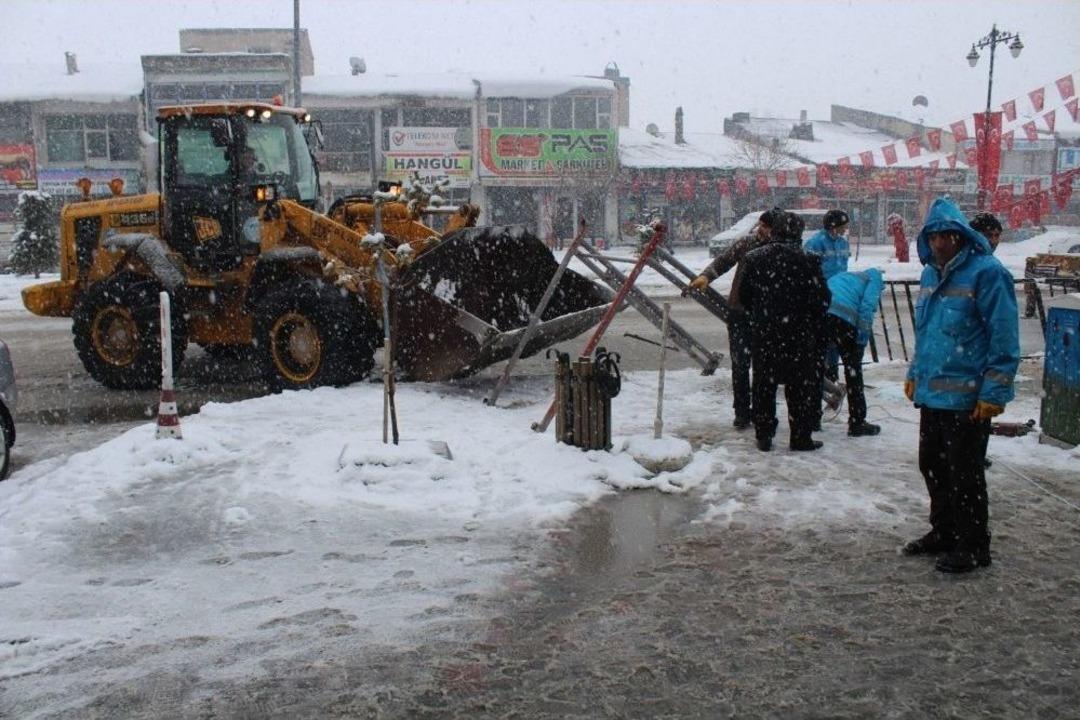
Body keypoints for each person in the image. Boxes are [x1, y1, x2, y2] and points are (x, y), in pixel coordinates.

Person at [902, 198, 1019, 574]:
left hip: (967, 397)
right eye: (934, 236)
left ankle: (973, 545)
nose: (940, 243)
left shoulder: (987, 273)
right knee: (932, 465)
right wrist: (914, 372)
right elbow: (926, 332)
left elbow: (1003, 337)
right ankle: (945, 531)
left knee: (964, 473)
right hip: (933, 394)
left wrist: (993, 392)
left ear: (962, 235)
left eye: (948, 235)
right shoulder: (929, 275)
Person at [730, 210, 830, 452]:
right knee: (799, 388)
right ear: (798, 232)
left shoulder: (755, 258)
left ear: (774, 231)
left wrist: (763, 312)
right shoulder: (810, 259)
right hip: (799, 336)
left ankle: (764, 435)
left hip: (765, 334)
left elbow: (743, 296)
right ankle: (800, 436)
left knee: (764, 385)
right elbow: (823, 299)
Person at [688, 208, 784, 430]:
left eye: (766, 227)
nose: (761, 230)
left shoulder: (782, 249)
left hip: (767, 316)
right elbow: (723, 261)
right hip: (740, 312)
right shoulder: (747, 244)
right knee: (740, 364)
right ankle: (742, 413)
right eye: (760, 225)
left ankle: (761, 414)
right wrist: (706, 276)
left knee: (763, 368)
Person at [824, 269, 884, 437]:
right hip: (845, 321)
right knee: (853, 372)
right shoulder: (875, 278)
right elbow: (867, 308)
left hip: (822, 315)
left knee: (815, 367)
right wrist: (861, 340)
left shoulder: (841, 276)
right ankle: (857, 422)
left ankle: (812, 419)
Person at [803, 209, 851, 280]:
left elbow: (843, 266)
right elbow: (807, 269)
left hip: (839, 285)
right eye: (842, 227)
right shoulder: (816, 242)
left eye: (846, 226)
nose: (845, 229)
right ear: (833, 227)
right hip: (822, 286)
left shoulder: (844, 243)